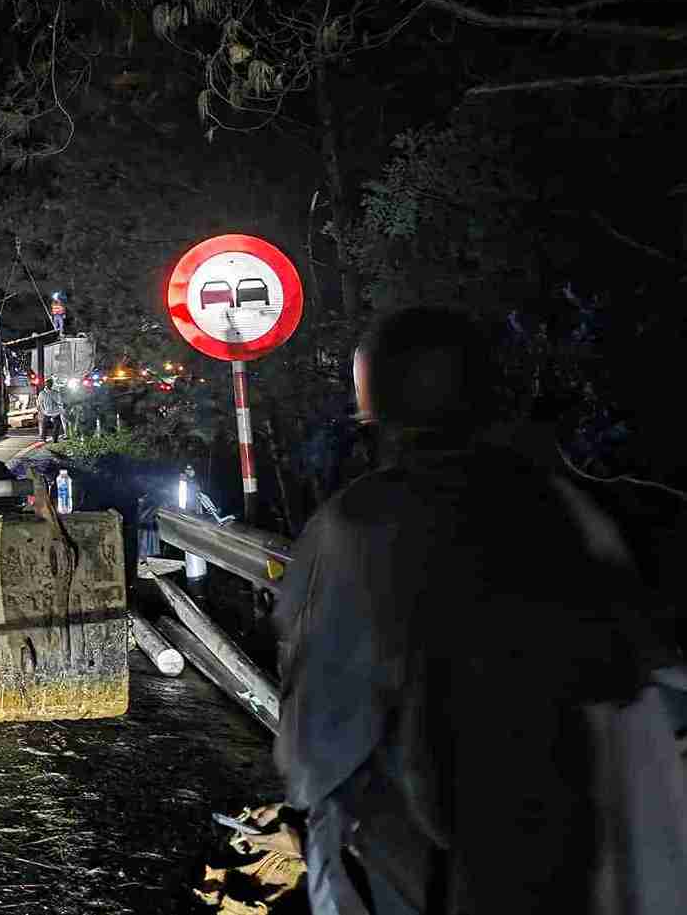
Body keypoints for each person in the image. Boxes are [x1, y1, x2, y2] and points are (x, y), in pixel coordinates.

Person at [275, 306, 669, 915]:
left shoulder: (364, 524)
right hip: (576, 843)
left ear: (375, 407)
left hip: (429, 852)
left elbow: (320, 735)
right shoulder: (566, 512)